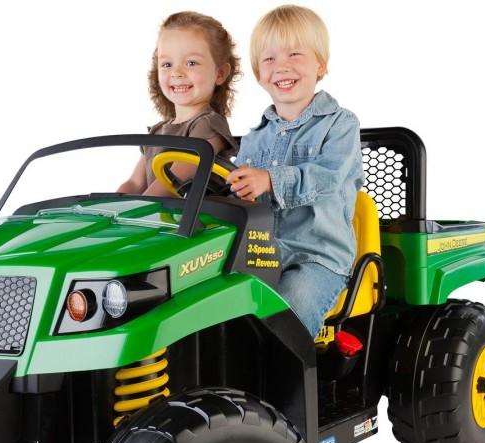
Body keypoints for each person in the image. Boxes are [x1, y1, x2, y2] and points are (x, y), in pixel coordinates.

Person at [226, 5, 364, 338]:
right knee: (220, 311)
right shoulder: (253, 139)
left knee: (289, 312)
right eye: (269, 59)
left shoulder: (341, 124)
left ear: (320, 64)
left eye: (295, 54)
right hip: (260, 253)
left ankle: (284, 385)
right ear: (259, 74)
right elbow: (237, 194)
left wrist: (270, 180)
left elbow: (328, 178)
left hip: (316, 257)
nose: (281, 66)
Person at [118, 11, 239, 196]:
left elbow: (172, 183)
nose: (177, 73)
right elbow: (135, 184)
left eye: (191, 63)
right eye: (167, 64)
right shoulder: (157, 132)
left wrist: (135, 212)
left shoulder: (209, 126)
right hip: (157, 221)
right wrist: (108, 208)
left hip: (195, 223)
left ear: (220, 73)